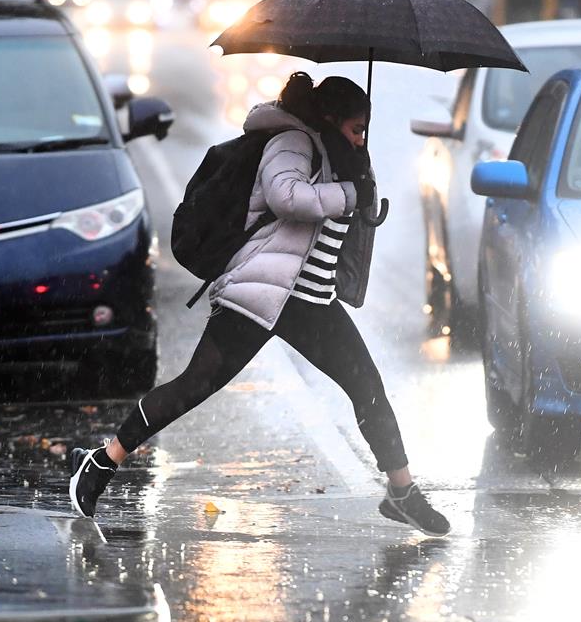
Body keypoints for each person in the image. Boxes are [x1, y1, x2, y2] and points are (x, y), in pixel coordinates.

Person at [69, 72, 450, 537]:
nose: (360, 136)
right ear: (329, 118)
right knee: (195, 385)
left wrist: (362, 185)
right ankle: (101, 463)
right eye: (355, 127)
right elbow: (287, 197)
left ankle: (402, 493)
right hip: (261, 292)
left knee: (366, 385)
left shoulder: (337, 154)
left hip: (308, 298)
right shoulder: (292, 140)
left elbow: (334, 224)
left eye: (364, 130)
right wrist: (349, 193)